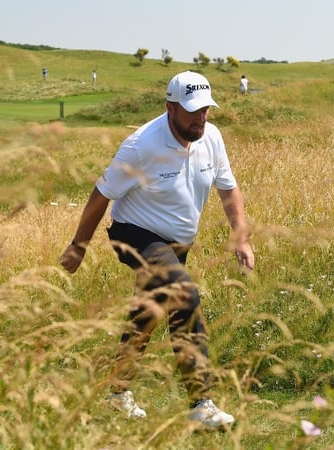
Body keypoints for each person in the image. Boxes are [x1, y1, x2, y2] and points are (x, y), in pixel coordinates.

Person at [59, 71, 255, 429]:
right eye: (192, 110)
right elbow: (102, 193)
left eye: (206, 110)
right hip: (134, 233)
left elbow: (229, 190)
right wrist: (78, 246)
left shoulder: (211, 137)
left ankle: (117, 393)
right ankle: (201, 402)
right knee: (183, 294)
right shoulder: (141, 146)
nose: (200, 118)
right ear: (170, 107)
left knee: (146, 316)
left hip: (178, 243)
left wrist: (240, 238)